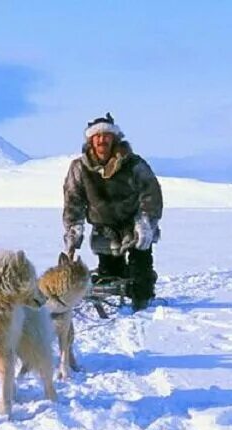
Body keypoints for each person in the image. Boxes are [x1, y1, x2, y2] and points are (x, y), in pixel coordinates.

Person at [62, 113, 163, 311]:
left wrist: (145, 222)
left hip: (133, 223)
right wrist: (74, 229)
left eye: (106, 135)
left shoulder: (134, 164)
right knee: (110, 275)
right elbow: (73, 200)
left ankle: (143, 292)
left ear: (115, 138)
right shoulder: (79, 168)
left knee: (140, 274)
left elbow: (151, 193)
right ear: (91, 140)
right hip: (104, 226)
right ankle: (118, 279)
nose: (102, 139)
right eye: (97, 136)